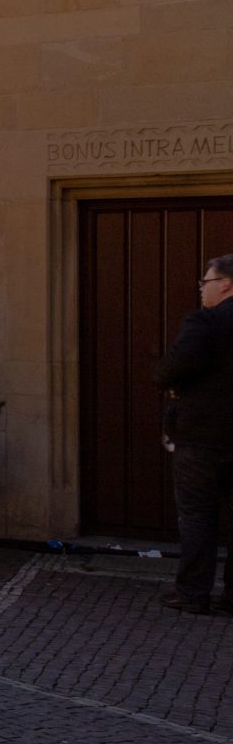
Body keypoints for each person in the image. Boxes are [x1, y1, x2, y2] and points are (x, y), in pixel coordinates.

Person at [156, 253, 233, 614]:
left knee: (198, 517)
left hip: (202, 438)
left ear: (226, 285)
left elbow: (169, 370)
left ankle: (192, 594)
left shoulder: (206, 323)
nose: (202, 289)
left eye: (206, 282)